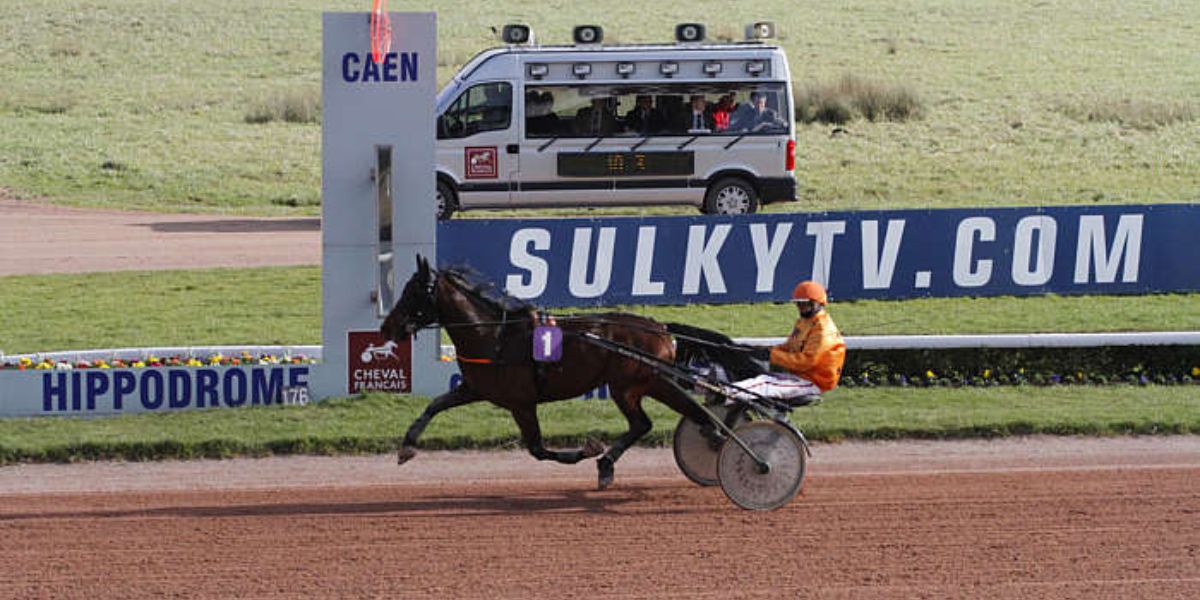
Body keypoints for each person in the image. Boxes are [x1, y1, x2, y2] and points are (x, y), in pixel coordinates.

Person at [725, 280, 846, 404]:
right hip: (799, 377)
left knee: (764, 382)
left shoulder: (824, 330)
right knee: (754, 375)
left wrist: (771, 355)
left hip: (813, 383)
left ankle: (724, 394)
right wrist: (762, 350)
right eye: (798, 304)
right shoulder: (805, 321)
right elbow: (789, 347)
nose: (801, 307)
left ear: (818, 303)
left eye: (805, 304)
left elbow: (805, 362)